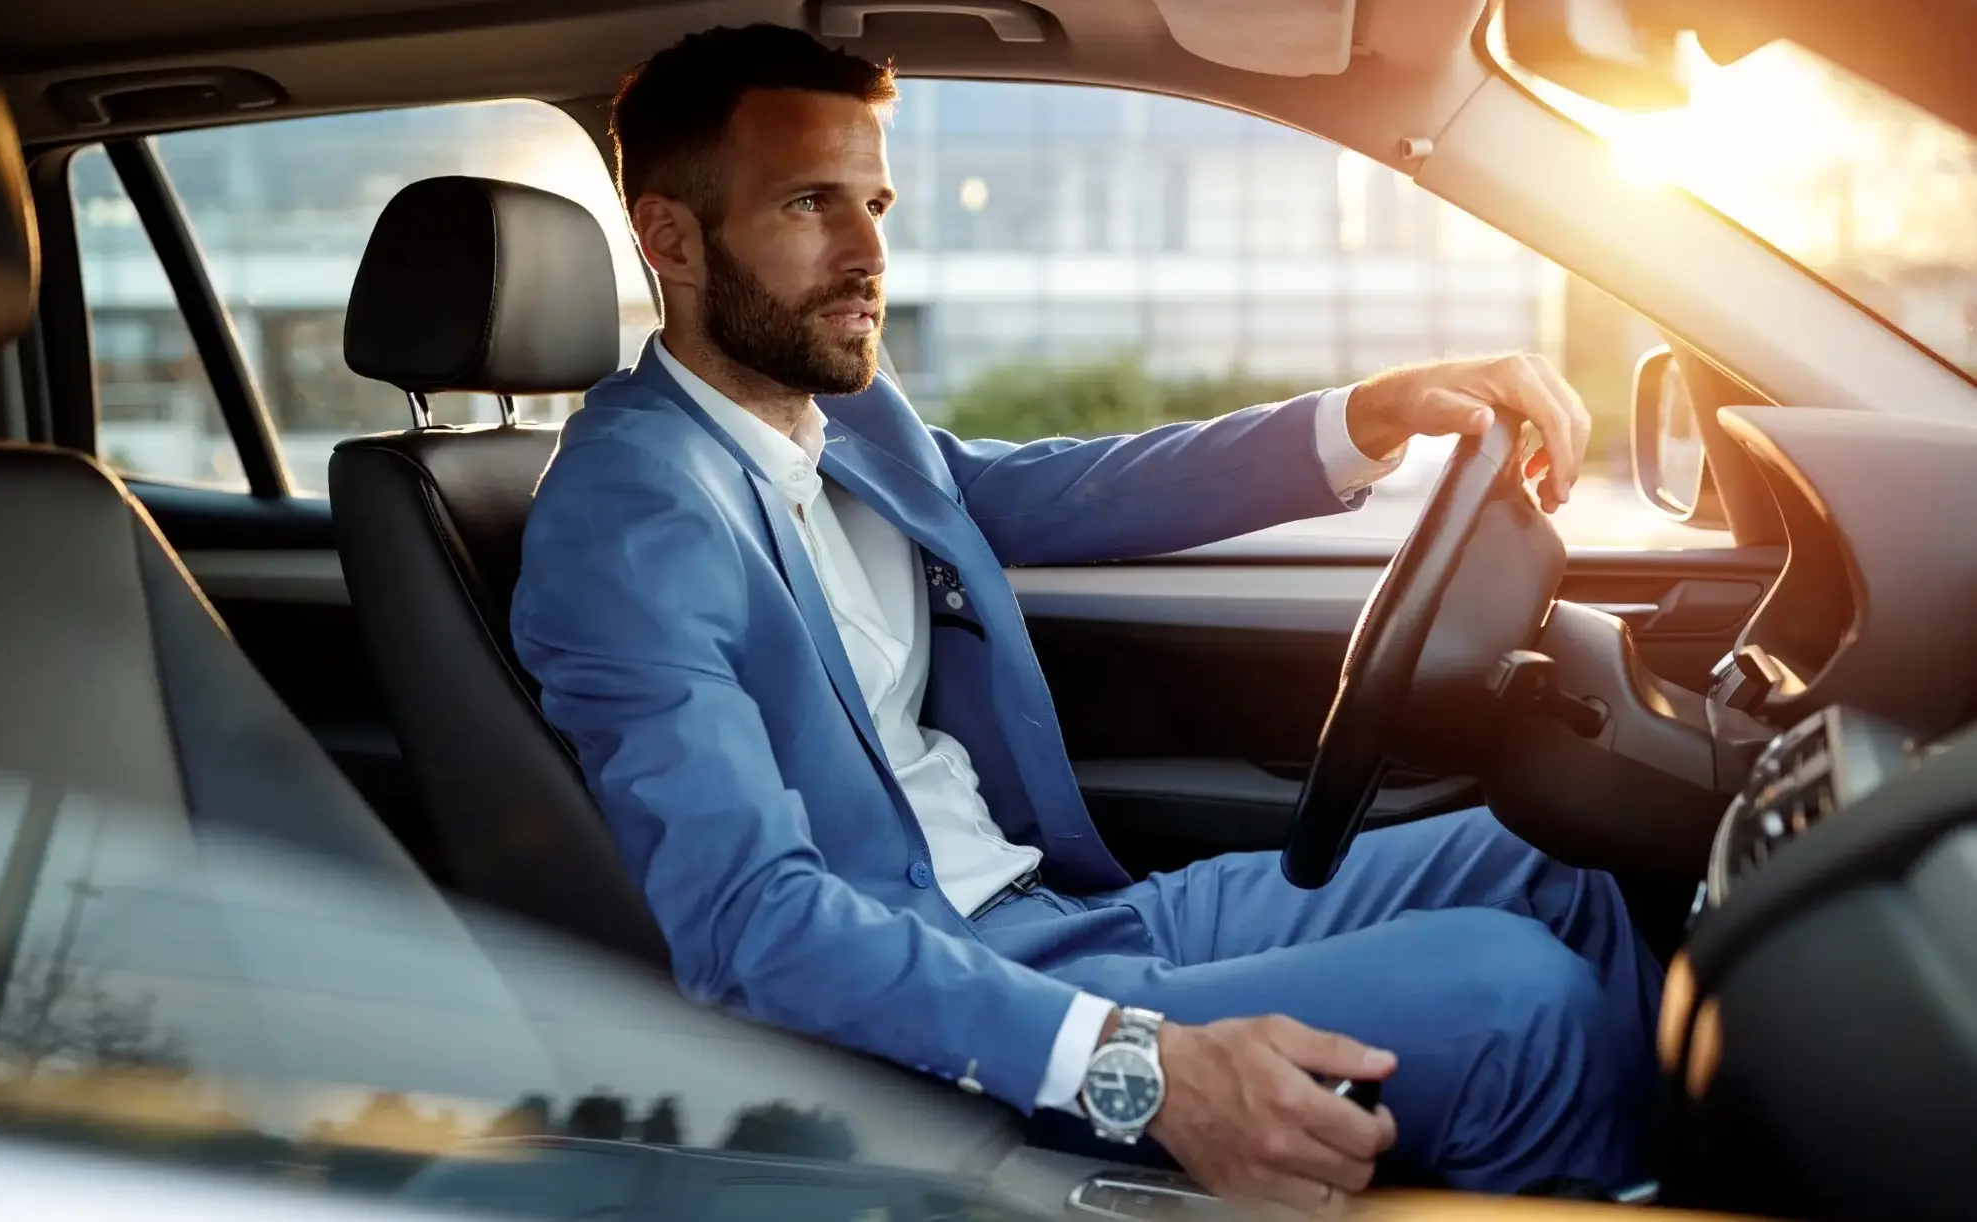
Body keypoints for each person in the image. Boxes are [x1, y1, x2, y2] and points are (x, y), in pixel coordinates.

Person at [512, 22, 1662, 1211]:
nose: (868, 253)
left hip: (1064, 915)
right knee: (1517, 1001)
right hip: (950, 1003)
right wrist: (1135, 1065)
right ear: (670, 240)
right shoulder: (629, 515)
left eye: (876, 203)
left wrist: (1367, 416)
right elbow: (750, 923)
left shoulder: (837, 408)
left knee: (1553, 860)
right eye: (811, 204)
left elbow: (1050, 488)